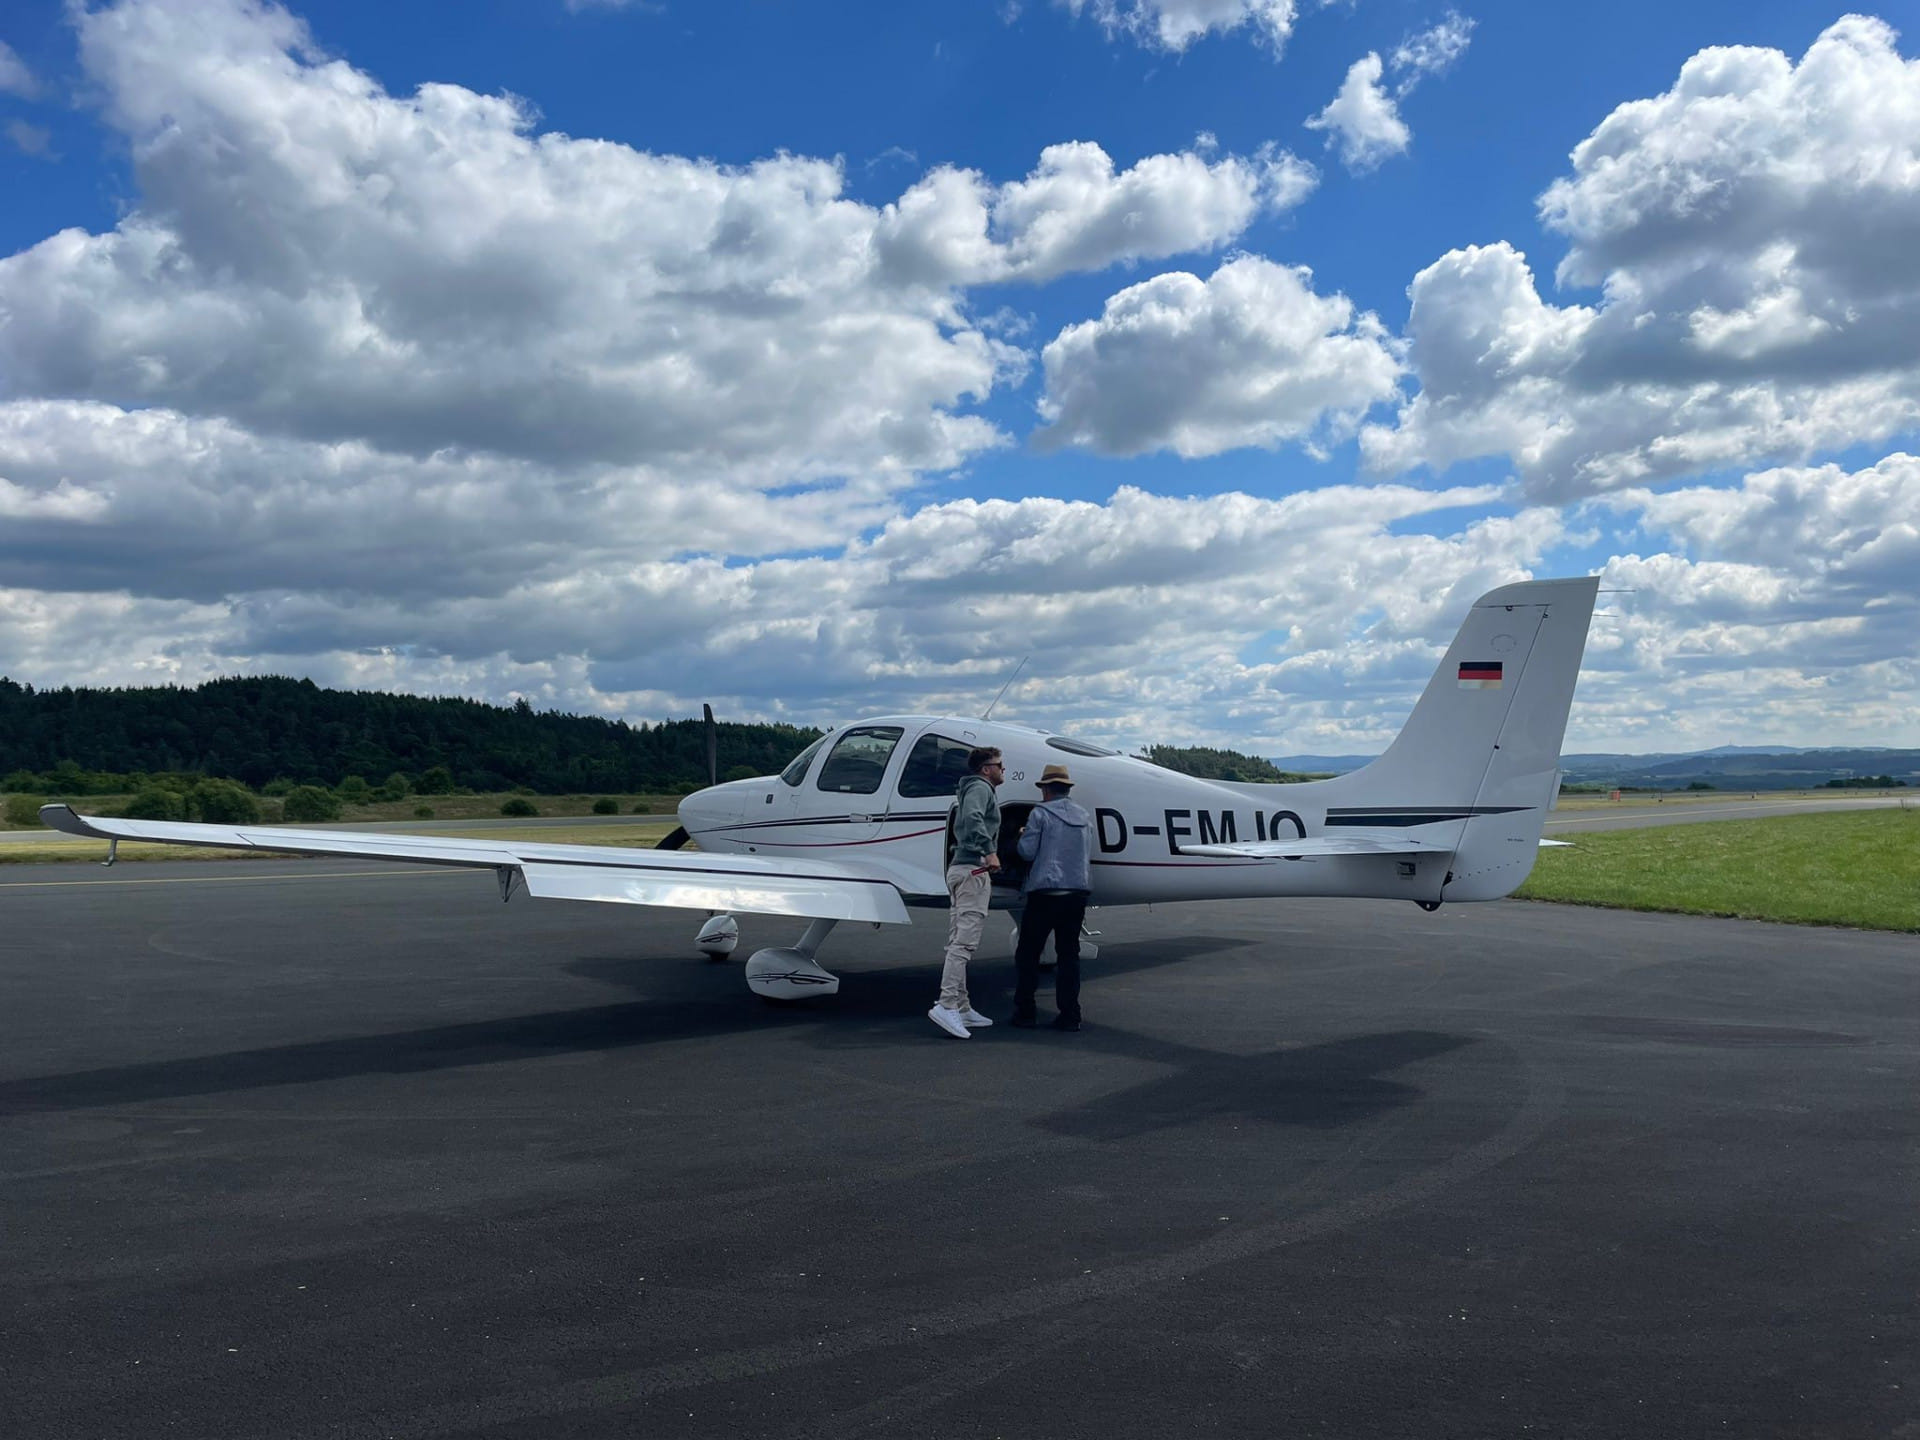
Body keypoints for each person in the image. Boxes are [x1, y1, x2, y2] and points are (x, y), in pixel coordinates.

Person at [929, 746, 1004, 1039]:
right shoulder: (981, 789)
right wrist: (989, 851)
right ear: (986, 768)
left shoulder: (971, 788)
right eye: (1000, 765)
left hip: (961, 869)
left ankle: (961, 1005)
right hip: (973, 872)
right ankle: (946, 1004)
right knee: (964, 943)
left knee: (956, 940)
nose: (1003, 770)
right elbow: (973, 817)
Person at [1010, 763, 1092, 1031]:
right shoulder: (1083, 815)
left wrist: (1021, 835)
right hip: (1076, 893)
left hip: (1045, 894)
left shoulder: (1039, 814)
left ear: (1045, 789)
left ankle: (1026, 1013)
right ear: (1066, 789)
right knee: (1069, 955)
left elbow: (1027, 852)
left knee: (1028, 954)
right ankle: (1070, 1015)